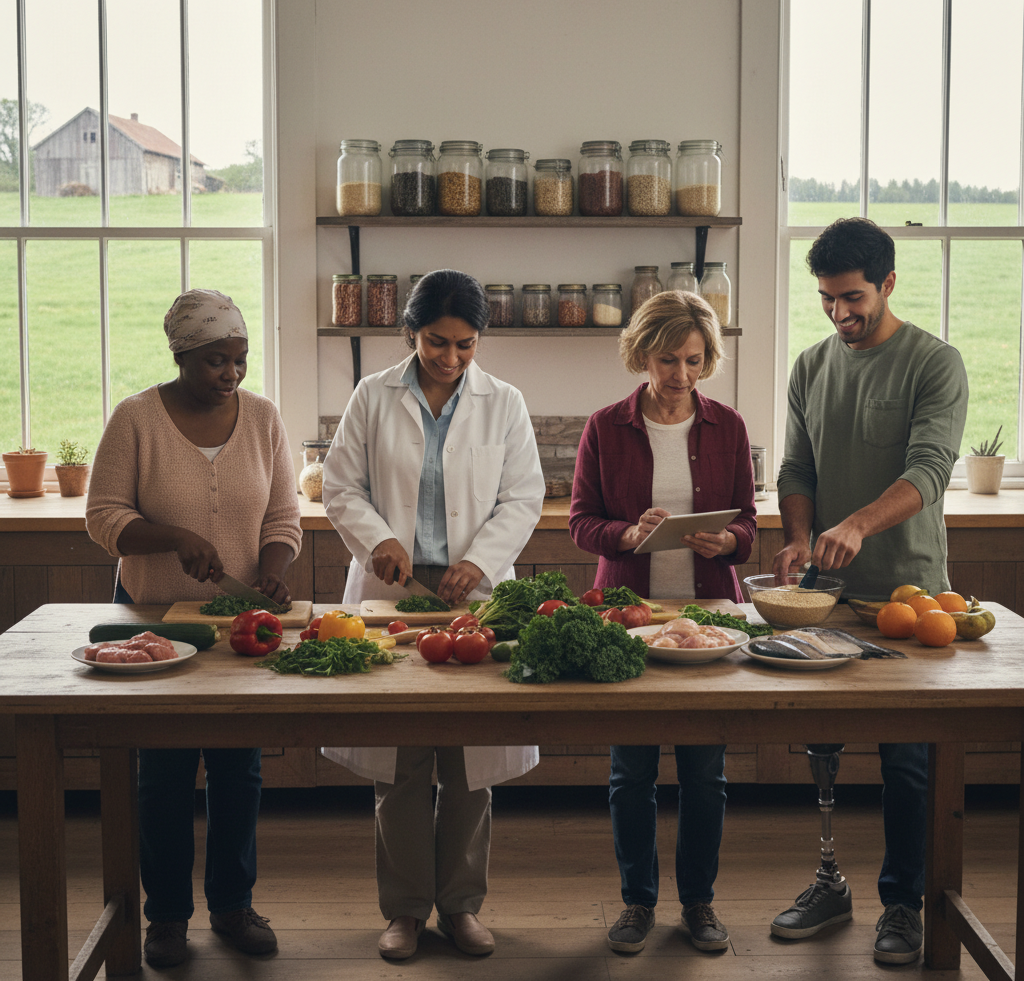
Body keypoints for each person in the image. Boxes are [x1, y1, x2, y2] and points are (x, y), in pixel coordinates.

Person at [320, 268, 545, 960]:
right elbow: (339, 485)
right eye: (436, 342)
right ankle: (406, 911)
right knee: (402, 764)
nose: (450, 358)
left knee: (469, 765)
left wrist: (478, 561)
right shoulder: (371, 395)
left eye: (465, 346)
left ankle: (463, 906)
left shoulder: (502, 402)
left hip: (470, 597)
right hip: (394, 595)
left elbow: (523, 497)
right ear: (409, 331)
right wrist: (380, 540)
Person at [770, 218, 969, 964]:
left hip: (911, 600)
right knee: (820, 748)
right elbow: (797, 469)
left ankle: (903, 907)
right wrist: (797, 535)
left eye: (852, 298)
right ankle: (828, 884)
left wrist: (856, 523)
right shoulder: (811, 365)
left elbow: (929, 471)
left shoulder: (933, 362)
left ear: (888, 283)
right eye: (826, 300)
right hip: (824, 599)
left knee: (909, 765)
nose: (839, 314)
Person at [86, 288, 302, 969]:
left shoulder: (264, 419)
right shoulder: (135, 420)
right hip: (154, 631)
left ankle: (234, 907)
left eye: (238, 360)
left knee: (240, 772)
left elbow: (283, 519)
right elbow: (103, 517)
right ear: (182, 356)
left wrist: (271, 567)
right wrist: (172, 537)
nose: (231, 375)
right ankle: (167, 919)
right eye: (216, 361)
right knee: (165, 776)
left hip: (240, 628)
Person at [569, 291, 757, 957]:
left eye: (695, 360)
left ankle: (699, 903)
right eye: (668, 359)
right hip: (630, 619)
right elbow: (581, 523)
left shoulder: (728, 427)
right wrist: (627, 532)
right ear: (641, 354)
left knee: (706, 774)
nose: (681, 375)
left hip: (710, 620)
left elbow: (748, 526)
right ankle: (637, 903)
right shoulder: (605, 426)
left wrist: (728, 543)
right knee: (632, 774)